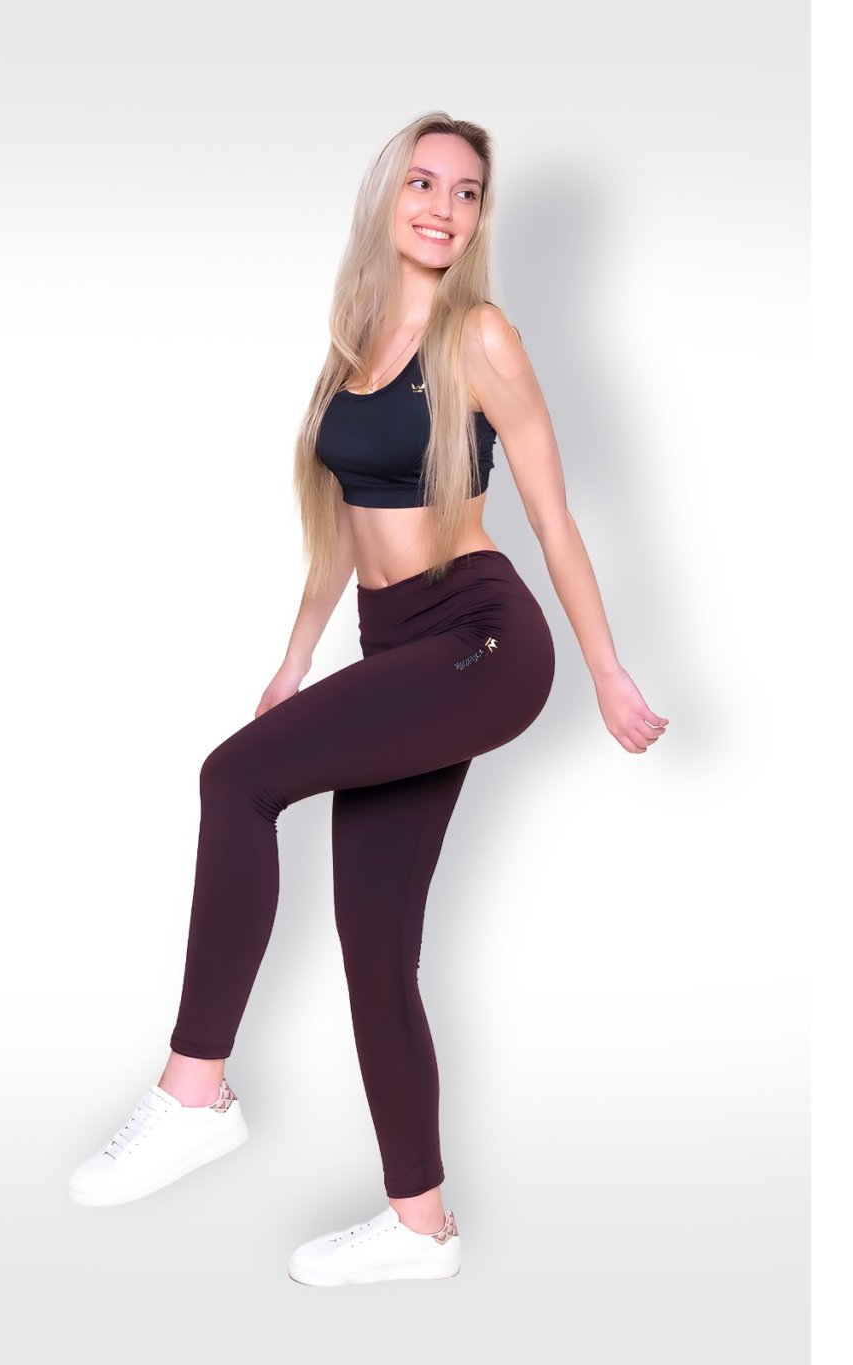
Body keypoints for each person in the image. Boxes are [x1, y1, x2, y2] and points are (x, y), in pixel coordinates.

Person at [67, 111, 669, 1287]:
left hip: (480, 637)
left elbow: (553, 518)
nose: (444, 209)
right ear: (387, 198)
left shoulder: (478, 336)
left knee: (234, 781)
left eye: (467, 192)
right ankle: (419, 1225)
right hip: (393, 647)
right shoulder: (351, 344)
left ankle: (195, 1090)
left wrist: (606, 669)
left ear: (480, 219)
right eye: (423, 184)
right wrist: (295, 659)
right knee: (373, 942)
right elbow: (342, 535)